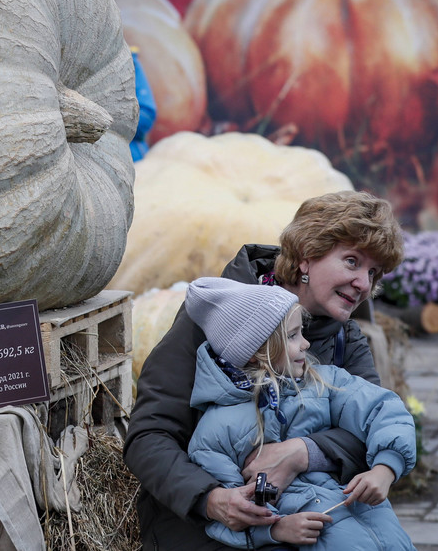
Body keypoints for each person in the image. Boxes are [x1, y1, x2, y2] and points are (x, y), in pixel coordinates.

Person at [122, 190, 405, 550]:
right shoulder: (220, 317)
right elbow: (149, 435)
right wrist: (210, 500)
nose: (364, 283)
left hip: (312, 512)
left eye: (374, 273)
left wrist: (302, 452)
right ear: (307, 256)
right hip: (205, 522)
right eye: (352, 261)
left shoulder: (344, 337)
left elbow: (370, 424)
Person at [185, 276, 417, 549]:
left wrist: (385, 468)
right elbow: (229, 513)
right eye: (293, 335)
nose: (306, 344)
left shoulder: (323, 382)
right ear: (255, 351)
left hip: (385, 534)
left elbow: (384, 410)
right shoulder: (216, 430)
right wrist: (275, 530)